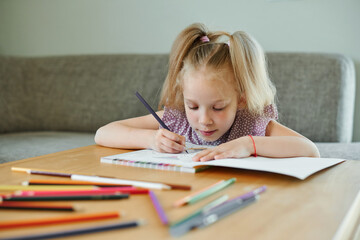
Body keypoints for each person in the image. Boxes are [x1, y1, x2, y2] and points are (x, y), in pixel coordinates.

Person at [95, 23, 320, 161]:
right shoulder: (177, 119)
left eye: (218, 107)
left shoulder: (251, 123)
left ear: (241, 98)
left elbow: (310, 150)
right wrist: (151, 139)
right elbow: (103, 133)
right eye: (192, 106)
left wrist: (248, 144)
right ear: (182, 94)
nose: (204, 120)